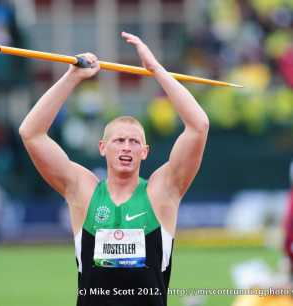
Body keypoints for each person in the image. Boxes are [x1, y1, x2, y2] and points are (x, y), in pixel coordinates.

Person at [19, 32, 209, 306]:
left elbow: (199, 126)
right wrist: (72, 77)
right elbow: (31, 133)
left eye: (134, 142)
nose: (126, 148)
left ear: (144, 152)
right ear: (102, 148)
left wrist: (156, 70)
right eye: (119, 140)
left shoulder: (161, 192)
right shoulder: (82, 191)